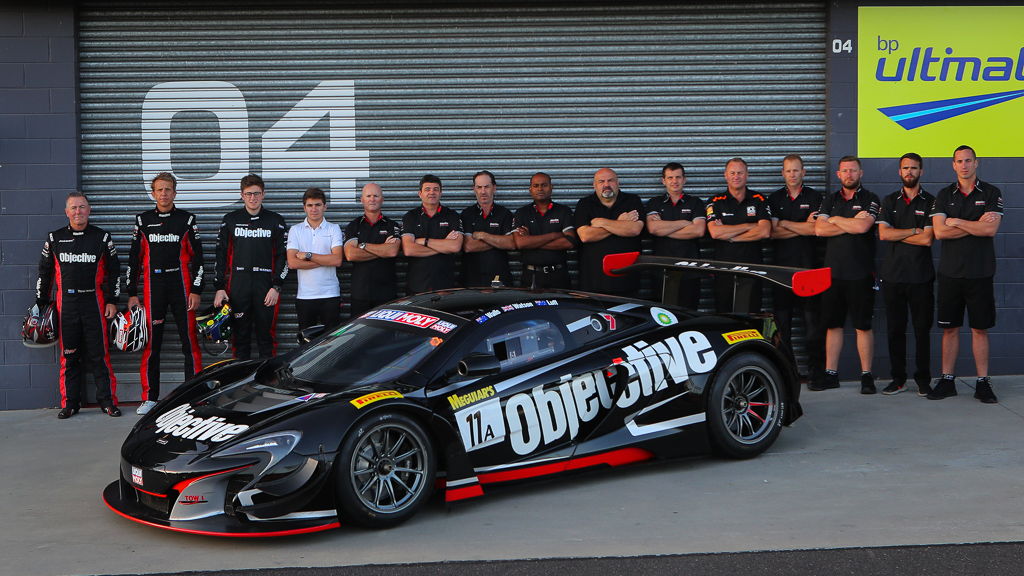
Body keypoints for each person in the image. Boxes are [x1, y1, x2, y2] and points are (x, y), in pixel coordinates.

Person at [36, 192, 121, 418]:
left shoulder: (102, 237)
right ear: (66, 212)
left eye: (82, 207)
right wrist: (41, 303)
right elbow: (44, 273)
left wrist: (113, 300)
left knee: (100, 355)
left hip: (94, 302)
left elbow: (114, 272)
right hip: (67, 306)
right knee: (69, 356)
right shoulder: (54, 238)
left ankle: (107, 402)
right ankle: (70, 403)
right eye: (73, 208)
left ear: (89, 210)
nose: (78, 211)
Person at [126, 172, 205, 415]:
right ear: (152, 193)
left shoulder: (187, 220)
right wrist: (131, 293)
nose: (164, 194)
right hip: (153, 288)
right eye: (159, 190)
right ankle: (150, 397)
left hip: (181, 286)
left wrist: (196, 290)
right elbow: (134, 261)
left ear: (175, 192)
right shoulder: (142, 221)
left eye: (168, 189)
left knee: (189, 341)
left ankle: (194, 395)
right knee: (152, 344)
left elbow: (199, 259)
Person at [929, 145, 1003, 403]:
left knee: (980, 329)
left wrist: (957, 221)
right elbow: (939, 232)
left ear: (976, 163)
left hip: (980, 272)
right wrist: (975, 224)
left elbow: (989, 231)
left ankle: (983, 382)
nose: (964, 165)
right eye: (959, 161)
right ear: (953, 165)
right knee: (950, 330)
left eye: (968, 160)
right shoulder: (943, 194)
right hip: (950, 273)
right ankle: (947, 380)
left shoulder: (992, 192)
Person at [813, 156, 880, 393]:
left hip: (861, 273)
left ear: (860, 173)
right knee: (833, 325)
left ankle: (866, 376)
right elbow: (819, 229)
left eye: (853, 170)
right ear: (838, 174)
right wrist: (849, 222)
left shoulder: (871, 199)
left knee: (863, 326)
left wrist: (836, 220)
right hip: (833, 274)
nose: (849, 174)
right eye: (845, 171)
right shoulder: (829, 200)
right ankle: (831, 374)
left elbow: (863, 227)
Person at [877, 153, 934, 396]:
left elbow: (928, 239)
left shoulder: (932, 201)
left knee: (922, 331)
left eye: (914, 168)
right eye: (905, 168)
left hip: (921, 277)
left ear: (921, 171)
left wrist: (899, 232)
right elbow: (883, 235)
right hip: (893, 277)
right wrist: (913, 230)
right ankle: (898, 379)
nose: (909, 172)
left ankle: (923, 381)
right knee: (895, 330)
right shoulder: (889, 201)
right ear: (899, 172)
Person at [213, 174, 288, 360]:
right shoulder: (230, 220)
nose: (253, 198)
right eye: (248, 194)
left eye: (256, 193)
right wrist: (220, 287)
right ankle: (239, 384)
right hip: (239, 285)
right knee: (240, 336)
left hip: (266, 286)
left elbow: (283, 257)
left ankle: (269, 382)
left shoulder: (275, 221)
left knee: (266, 336)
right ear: (242, 195)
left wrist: (276, 286)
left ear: (263, 194)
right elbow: (221, 254)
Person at [767, 154, 825, 389]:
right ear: (783, 173)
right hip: (780, 272)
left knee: (813, 327)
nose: (792, 174)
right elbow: (771, 232)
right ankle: (787, 374)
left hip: (808, 270)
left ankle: (816, 375)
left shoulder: (815, 197)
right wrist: (803, 226)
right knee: (783, 329)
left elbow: (816, 230)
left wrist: (785, 224)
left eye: (796, 170)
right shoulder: (773, 198)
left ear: (804, 172)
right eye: (788, 171)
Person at [706, 158, 771, 313]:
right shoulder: (715, 201)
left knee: (750, 316)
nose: (736, 176)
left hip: (752, 270)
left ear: (747, 175)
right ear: (726, 176)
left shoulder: (759, 199)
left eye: (740, 173)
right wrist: (749, 225)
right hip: (724, 270)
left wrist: (731, 236)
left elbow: (764, 231)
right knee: (724, 317)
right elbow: (715, 232)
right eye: (732, 173)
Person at [574, 168, 644, 296]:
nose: (606, 185)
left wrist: (601, 222)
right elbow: (585, 236)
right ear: (594, 185)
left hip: (627, 280)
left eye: (610, 180)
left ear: (618, 183)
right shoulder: (585, 204)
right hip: (593, 281)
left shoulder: (632, 201)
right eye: (601, 181)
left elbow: (634, 229)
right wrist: (619, 222)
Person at [645, 162, 706, 309]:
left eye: (678, 177)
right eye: (670, 177)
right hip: (662, 271)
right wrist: (685, 223)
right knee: (663, 317)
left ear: (684, 179)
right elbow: (653, 229)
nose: (674, 181)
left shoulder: (695, 202)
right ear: (663, 180)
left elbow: (698, 231)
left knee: (689, 315)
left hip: (690, 271)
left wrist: (665, 228)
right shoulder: (655, 203)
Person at [286, 188, 344, 332]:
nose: (314, 209)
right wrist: (325, 260)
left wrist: (308, 255)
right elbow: (292, 263)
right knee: (306, 342)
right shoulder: (295, 230)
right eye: (310, 205)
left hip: (330, 295)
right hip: (305, 296)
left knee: (332, 342)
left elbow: (337, 260)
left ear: (325, 206)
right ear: (304, 207)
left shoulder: (334, 228)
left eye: (318, 205)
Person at [344, 183, 403, 316]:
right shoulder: (353, 226)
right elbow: (350, 254)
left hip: (386, 294)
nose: (372, 199)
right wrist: (383, 250)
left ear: (382, 199)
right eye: (368, 196)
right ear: (362, 200)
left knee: (387, 335)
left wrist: (363, 246)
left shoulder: (391, 225)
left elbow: (392, 251)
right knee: (359, 336)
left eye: (376, 196)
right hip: (360, 294)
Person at [512, 172, 576, 290]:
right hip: (531, 276)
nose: (540, 189)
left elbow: (569, 242)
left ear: (551, 187)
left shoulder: (563, 211)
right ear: (530, 189)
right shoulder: (522, 213)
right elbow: (521, 243)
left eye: (544, 185)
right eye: (536, 186)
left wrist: (531, 241)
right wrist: (554, 235)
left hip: (559, 275)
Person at [401, 174, 463, 294]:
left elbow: (455, 247)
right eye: (427, 189)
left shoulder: (452, 216)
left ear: (441, 193)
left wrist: (424, 241)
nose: (432, 192)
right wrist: (443, 246)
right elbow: (409, 249)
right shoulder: (410, 217)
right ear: (420, 193)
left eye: (436, 189)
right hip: (417, 285)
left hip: (445, 284)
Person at [461, 171, 515, 287]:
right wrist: (499, 241)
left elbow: (510, 243)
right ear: (474, 189)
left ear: (494, 188)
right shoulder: (466, 214)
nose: (483, 191)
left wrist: (482, 235)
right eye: (479, 187)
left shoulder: (505, 214)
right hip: (471, 278)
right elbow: (469, 246)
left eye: (487, 187)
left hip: (499, 277)